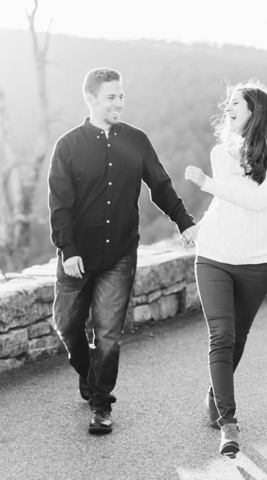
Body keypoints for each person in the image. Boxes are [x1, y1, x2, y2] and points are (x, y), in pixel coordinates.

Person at [48, 68, 197, 434]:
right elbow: (59, 204)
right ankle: (88, 373)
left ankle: (101, 403)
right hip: (77, 255)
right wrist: (68, 250)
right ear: (92, 99)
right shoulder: (68, 146)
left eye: (121, 96)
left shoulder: (137, 140)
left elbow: (160, 185)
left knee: (109, 335)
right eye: (111, 96)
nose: (119, 103)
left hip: (120, 254)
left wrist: (185, 221)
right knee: (66, 324)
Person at [183, 79, 267, 457]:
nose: (226, 108)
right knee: (222, 334)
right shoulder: (220, 151)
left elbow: (259, 200)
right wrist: (200, 224)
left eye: (235, 104)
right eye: (226, 103)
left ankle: (215, 394)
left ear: (255, 111)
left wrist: (210, 185)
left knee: (238, 339)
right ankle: (228, 423)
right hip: (213, 254)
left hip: (255, 260)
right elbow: (227, 205)